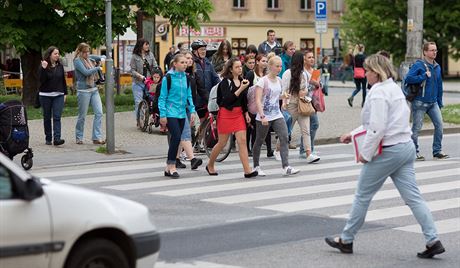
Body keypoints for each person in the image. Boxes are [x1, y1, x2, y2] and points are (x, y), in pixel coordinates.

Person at [325, 54, 445, 259]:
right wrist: (352, 135)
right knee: (414, 198)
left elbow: (377, 128)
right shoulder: (394, 89)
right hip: (405, 147)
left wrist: (365, 153)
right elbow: (376, 124)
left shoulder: (379, 93)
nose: (365, 74)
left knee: (362, 195)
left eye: (368, 70)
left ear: (377, 72)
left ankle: (346, 239)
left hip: (388, 150)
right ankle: (433, 240)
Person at [206, 58, 258, 178]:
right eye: (237, 67)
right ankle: (210, 164)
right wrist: (241, 89)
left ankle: (247, 170)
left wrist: (246, 113)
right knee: (222, 143)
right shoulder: (225, 82)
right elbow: (226, 101)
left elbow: (243, 100)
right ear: (231, 69)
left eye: (240, 66)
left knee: (243, 142)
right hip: (226, 114)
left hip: (238, 114)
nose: (240, 69)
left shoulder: (242, 80)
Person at [252, 54, 299, 176]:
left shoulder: (278, 80)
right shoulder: (263, 81)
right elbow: (258, 100)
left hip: (277, 114)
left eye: (281, 66)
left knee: (284, 137)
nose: (279, 68)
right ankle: (256, 166)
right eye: (277, 66)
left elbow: (276, 96)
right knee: (259, 140)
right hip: (264, 116)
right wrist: (262, 116)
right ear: (270, 66)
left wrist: (283, 97)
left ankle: (286, 166)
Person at [405, 41, 449, 161]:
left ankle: (437, 151)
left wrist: (439, 101)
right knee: (416, 128)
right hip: (420, 102)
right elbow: (408, 78)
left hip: (433, 102)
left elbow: (439, 85)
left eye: (435, 50)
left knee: (439, 125)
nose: (434, 52)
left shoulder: (437, 66)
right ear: (425, 52)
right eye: (432, 50)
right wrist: (423, 76)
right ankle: (414, 152)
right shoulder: (418, 65)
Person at [158, 54, 196, 178]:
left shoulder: (186, 78)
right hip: (170, 112)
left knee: (177, 139)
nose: (185, 64)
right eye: (182, 62)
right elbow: (162, 98)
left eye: (186, 62)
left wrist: (192, 111)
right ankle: (172, 166)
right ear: (175, 64)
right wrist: (163, 115)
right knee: (176, 137)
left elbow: (189, 96)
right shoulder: (167, 78)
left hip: (181, 112)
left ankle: (168, 167)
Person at [282, 51, 320, 163]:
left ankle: (308, 153)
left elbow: (308, 87)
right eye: (303, 59)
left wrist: (304, 91)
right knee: (287, 130)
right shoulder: (287, 73)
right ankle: (278, 150)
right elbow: (284, 89)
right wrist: (285, 102)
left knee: (306, 130)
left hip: (303, 104)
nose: (305, 61)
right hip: (292, 105)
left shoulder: (305, 74)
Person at [174, 51, 206, 170]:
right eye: (185, 59)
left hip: (187, 108)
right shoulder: (173, 76)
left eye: (190, 59)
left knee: (181, 134)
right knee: (185, 133)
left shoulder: (191, 75)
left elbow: (195, 93)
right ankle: (191, 159)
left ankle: (175, 159)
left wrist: (193, 109)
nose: (189, 61)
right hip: (176, 110)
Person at [73, 43, 105, 145]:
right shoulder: (77, 61)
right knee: (82, 115)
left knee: (99, 113)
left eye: (88, 51)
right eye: (85, 52)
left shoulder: (88, 58)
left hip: (94, 89)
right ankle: (79, 137)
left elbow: (100, 57)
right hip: (83, 91)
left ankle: (96, 137)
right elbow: (86, 72)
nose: (87, 54)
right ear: (80, 52)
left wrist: (103, 58)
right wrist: (98, 68)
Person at [39, 46, 67, 146]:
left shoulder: (60, 66)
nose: (57, 55)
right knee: (47, 117)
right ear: (50, 54)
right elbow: (41, 80)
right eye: (55, 54)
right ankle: (48, 138)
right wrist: (43, 68)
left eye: (58, 54)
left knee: (57, 117)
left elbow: (63, 81)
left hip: (59, 94)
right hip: (45, 95)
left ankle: (57, 139)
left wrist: (65, 93)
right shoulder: (44, 65)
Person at [245, 54, 270, 157]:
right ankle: (248, 148)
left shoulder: (267, 75)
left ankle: (269, 150)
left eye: (266, 61)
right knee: (250, 128)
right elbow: (246, 90)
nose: (265, 63)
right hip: (252, 105)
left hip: (263, 105)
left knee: (265, 126)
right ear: (257, 62)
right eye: (263, 61)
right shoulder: (251, 74)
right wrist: (245, 108)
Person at [191, 39, 220, 122]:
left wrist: (221, 86)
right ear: (195, 51)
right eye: (201, 49)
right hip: (196, 100)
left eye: (204, 49)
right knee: (197, 123)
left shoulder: (208, 63)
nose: (204, 51)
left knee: (207, 123)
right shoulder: (192, 63)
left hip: (208, 98)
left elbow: (215, 78)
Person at [298, 50, 320, 159]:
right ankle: (305, 149)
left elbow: (319, 87)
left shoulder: (315, 71)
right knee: (314, 124)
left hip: (313, 101)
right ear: (304, 59)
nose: (312, 59)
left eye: (313, 57)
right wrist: (311, 83)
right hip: (305, 101)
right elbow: (302, 87)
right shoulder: (302, 72)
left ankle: (307, 149)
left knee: (310, 125)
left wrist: (318, 84)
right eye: (309, 57)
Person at [130, 38, 158, 120]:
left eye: (148, 44)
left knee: (151, 100)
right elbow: (132, 70)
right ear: (141, 45)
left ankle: (152, 117)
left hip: (150, 83)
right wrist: (141, 77)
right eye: (146, 44)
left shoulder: (150, 55)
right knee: (138, 102)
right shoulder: (134, 57)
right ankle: (140, 120)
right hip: (138, 83)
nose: (148, 46)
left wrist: (155, 75)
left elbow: (155, 66)